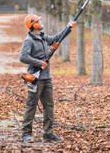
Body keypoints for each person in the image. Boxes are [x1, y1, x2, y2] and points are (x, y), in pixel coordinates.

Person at [19, 14, 75, 143]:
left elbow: (56, 38)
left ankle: (48, 134)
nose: (41, 21)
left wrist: (68, 28)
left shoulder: (43, 37)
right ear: (33, 25)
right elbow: (22, 57)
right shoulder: (29, 40)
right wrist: (39, 63)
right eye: (39, 20)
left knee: (49, 106)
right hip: (35, 79)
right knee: (31, 105)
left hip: (47, 78)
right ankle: (26, 134)